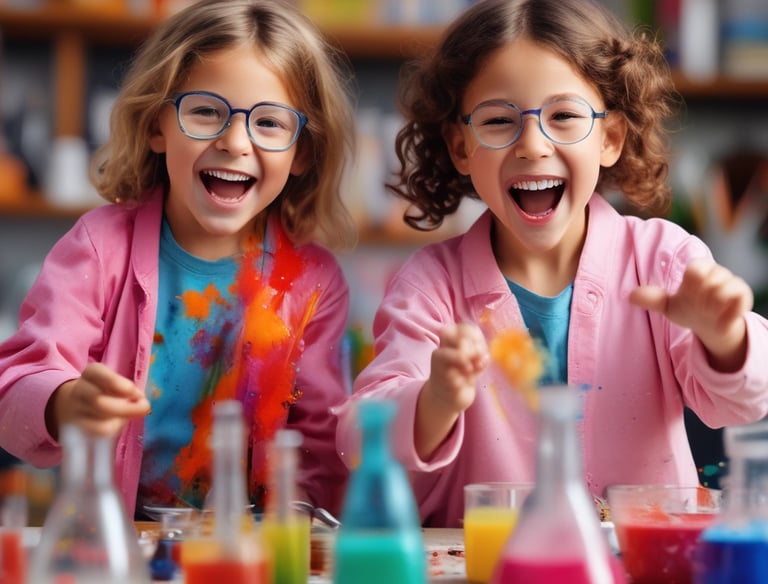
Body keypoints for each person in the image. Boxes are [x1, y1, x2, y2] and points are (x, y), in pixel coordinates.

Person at [335, 0, 768, 528]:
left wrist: (726, 340)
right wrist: (435, 399)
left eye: (564, 116)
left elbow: (745, 403)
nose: (533, 145)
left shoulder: (666, 260)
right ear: (460, 147)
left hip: (645, 560)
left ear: (610, 137)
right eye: (498, 121)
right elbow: (359, 438)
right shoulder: (430, 286)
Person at [0, 0, 357, 518]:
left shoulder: (313, 281)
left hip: (251, 547)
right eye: (205, 111)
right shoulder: (99, 249)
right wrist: (64, 402)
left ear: (302, 151)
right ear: (156, 125)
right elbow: (14, 387)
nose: (235, 142)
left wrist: (291, 517)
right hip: (118, 542)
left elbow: (320, 444)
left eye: (271, 123)